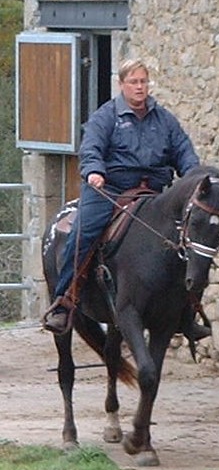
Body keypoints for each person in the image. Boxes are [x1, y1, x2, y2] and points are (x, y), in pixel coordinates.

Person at [43, 59, 209, 340]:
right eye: (133, 82)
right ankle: (65, 300)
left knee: (189, 241)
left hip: (154, 191)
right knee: (84, 232)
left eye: (143, 81)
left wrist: (195, 177)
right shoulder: (105, 117)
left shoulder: (165, 120)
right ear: (122, 85)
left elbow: (184, 152)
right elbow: (91, 148)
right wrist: (94, 171)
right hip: (110, 189)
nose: (139, 87)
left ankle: (187, 313)